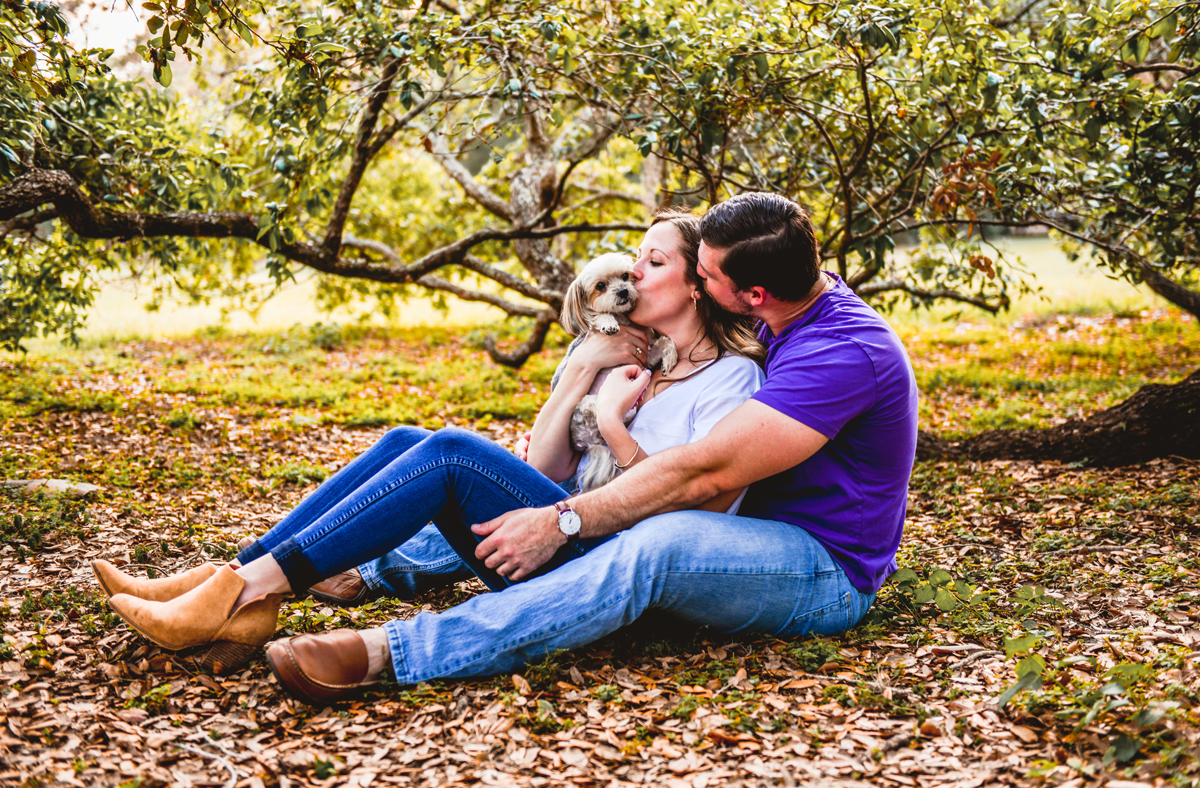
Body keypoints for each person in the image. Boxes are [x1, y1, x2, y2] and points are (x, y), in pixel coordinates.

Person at [92, 209, 769, 690]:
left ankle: (242, 592)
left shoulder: (732, 378)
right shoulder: (640, 362)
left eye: (654, 262)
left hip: (610, 568)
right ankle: (233, 580)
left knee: (449, 452)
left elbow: (693, 507)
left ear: (696, 285)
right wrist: (583, 373)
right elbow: (544, 471)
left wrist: (616, 426)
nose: (634, 275)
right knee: (406, 441)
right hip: (563, 527)